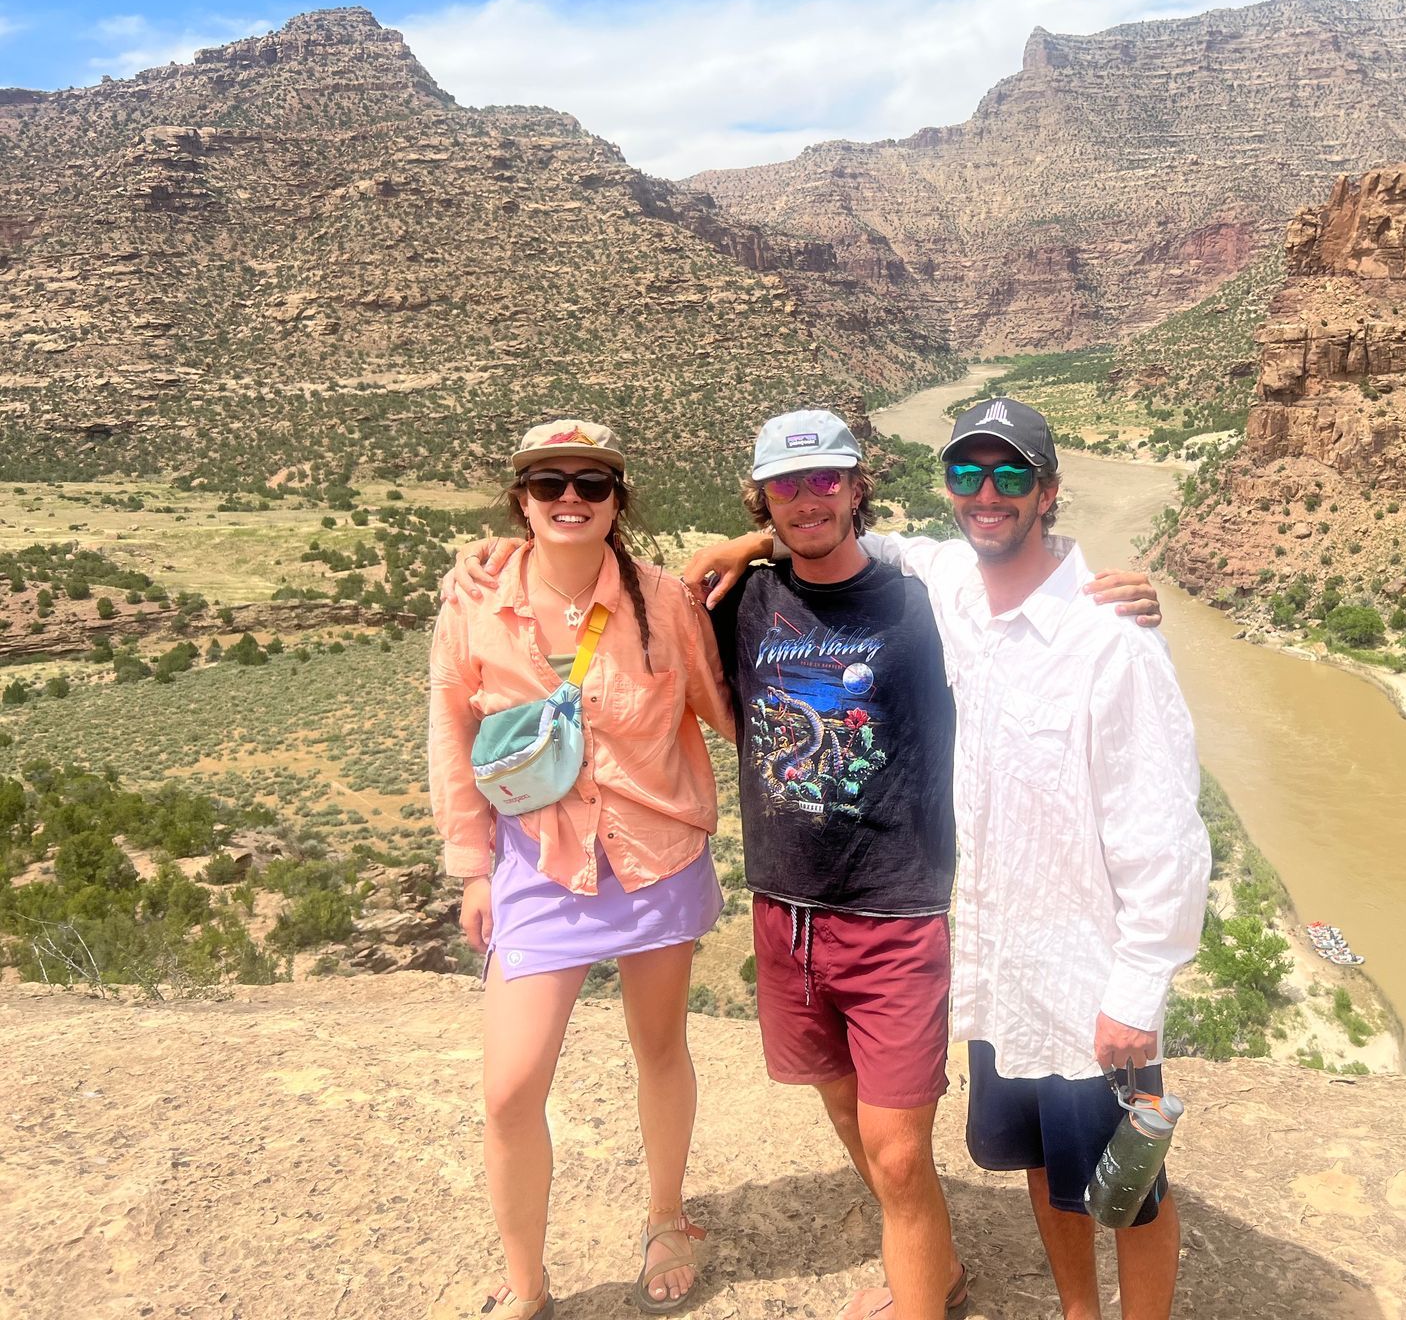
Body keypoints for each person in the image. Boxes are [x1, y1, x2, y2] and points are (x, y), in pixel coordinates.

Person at [450, 407, 1162, 1320]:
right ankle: (934, 1264)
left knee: (899, 1151)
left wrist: (1114, 598)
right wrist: (493, 563)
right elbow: (640, 630)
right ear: (763, 499)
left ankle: (919, 1288)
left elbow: (1020, 595)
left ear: (861, 487)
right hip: (788, 917)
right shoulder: (736, 602)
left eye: (828, 479)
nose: (808, 500)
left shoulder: (928, 601)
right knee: (840, 1109)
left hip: (897, 912)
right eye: (787, 485)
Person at [696, 398, 1209, 1320]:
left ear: (1048, 492)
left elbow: (1164, 831)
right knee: (1049, 1169)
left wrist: (1138, 988)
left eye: (1011, 475)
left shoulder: (1111, 643)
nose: (988, 493)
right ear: (945, 488)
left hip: (1091, 969)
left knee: (1134, 1186)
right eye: (968, 474)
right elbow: (871, 545)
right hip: (1003, 965)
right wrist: (749, 547)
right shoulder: (953, 592)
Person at [429, 419, 735, 1319]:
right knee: (511, 1087)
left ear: (618, 501)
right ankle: (529, 1280)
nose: (570, 498)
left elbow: (729, 707)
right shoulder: (475, 603)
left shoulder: (664, 602)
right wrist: (472, 867)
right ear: (520, 500)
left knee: (659, 1048)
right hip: (535, 866)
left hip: (655, 861)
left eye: (592, 484)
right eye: (548, 483)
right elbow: (451, 737)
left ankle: (667, 1217)